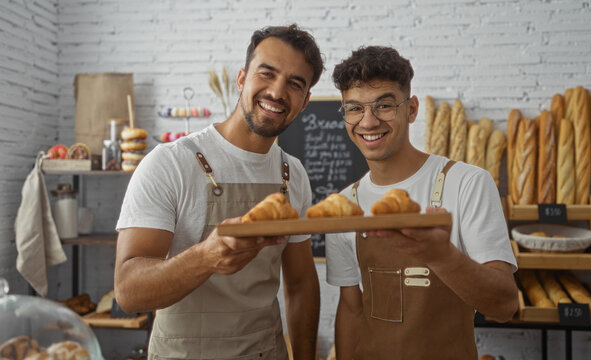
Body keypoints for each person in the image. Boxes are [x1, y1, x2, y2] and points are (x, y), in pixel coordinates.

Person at [114, 24, 324, 360]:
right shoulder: (171, 164)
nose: (277, 92)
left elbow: (300, 286)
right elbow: (128, 291)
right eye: (266, 73)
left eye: (295, 84)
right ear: (242, 79)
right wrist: (205, 257)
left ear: (304, 101)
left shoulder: (293, 174)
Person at [325, 46, 519, 359]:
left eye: (384, 105)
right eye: (354, 108)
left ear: (411, 109)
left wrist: (441, 255)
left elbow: (504, 306)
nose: (369, 121)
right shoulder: (345, 205)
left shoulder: (466, 183)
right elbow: (350, 309)